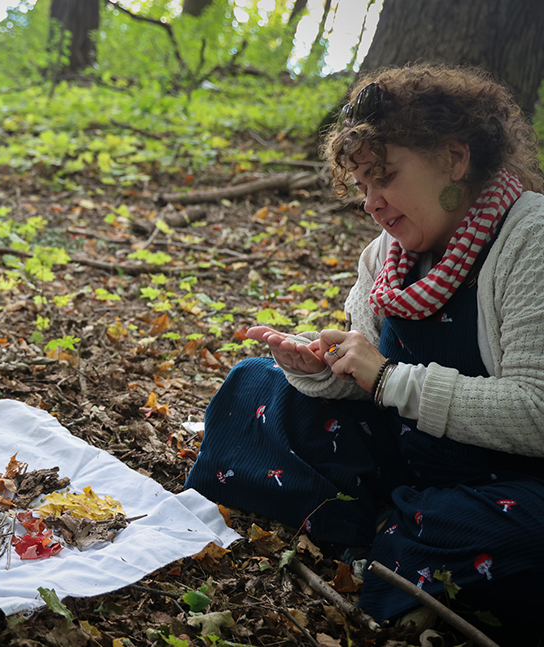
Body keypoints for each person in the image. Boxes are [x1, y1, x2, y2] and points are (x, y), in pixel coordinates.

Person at [185, 64, 544, 635]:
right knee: (253, 384)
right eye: (362, 186)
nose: (373, 203)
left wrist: (391, 380)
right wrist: (322, 370)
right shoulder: (386, 256)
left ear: (455, 157)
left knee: (526, 533)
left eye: (387, 177)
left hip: (511, 483)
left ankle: (374, 534)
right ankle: (400, 538)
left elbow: (535, 413)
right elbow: (368, 378)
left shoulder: (531, 239)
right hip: (409, 458)